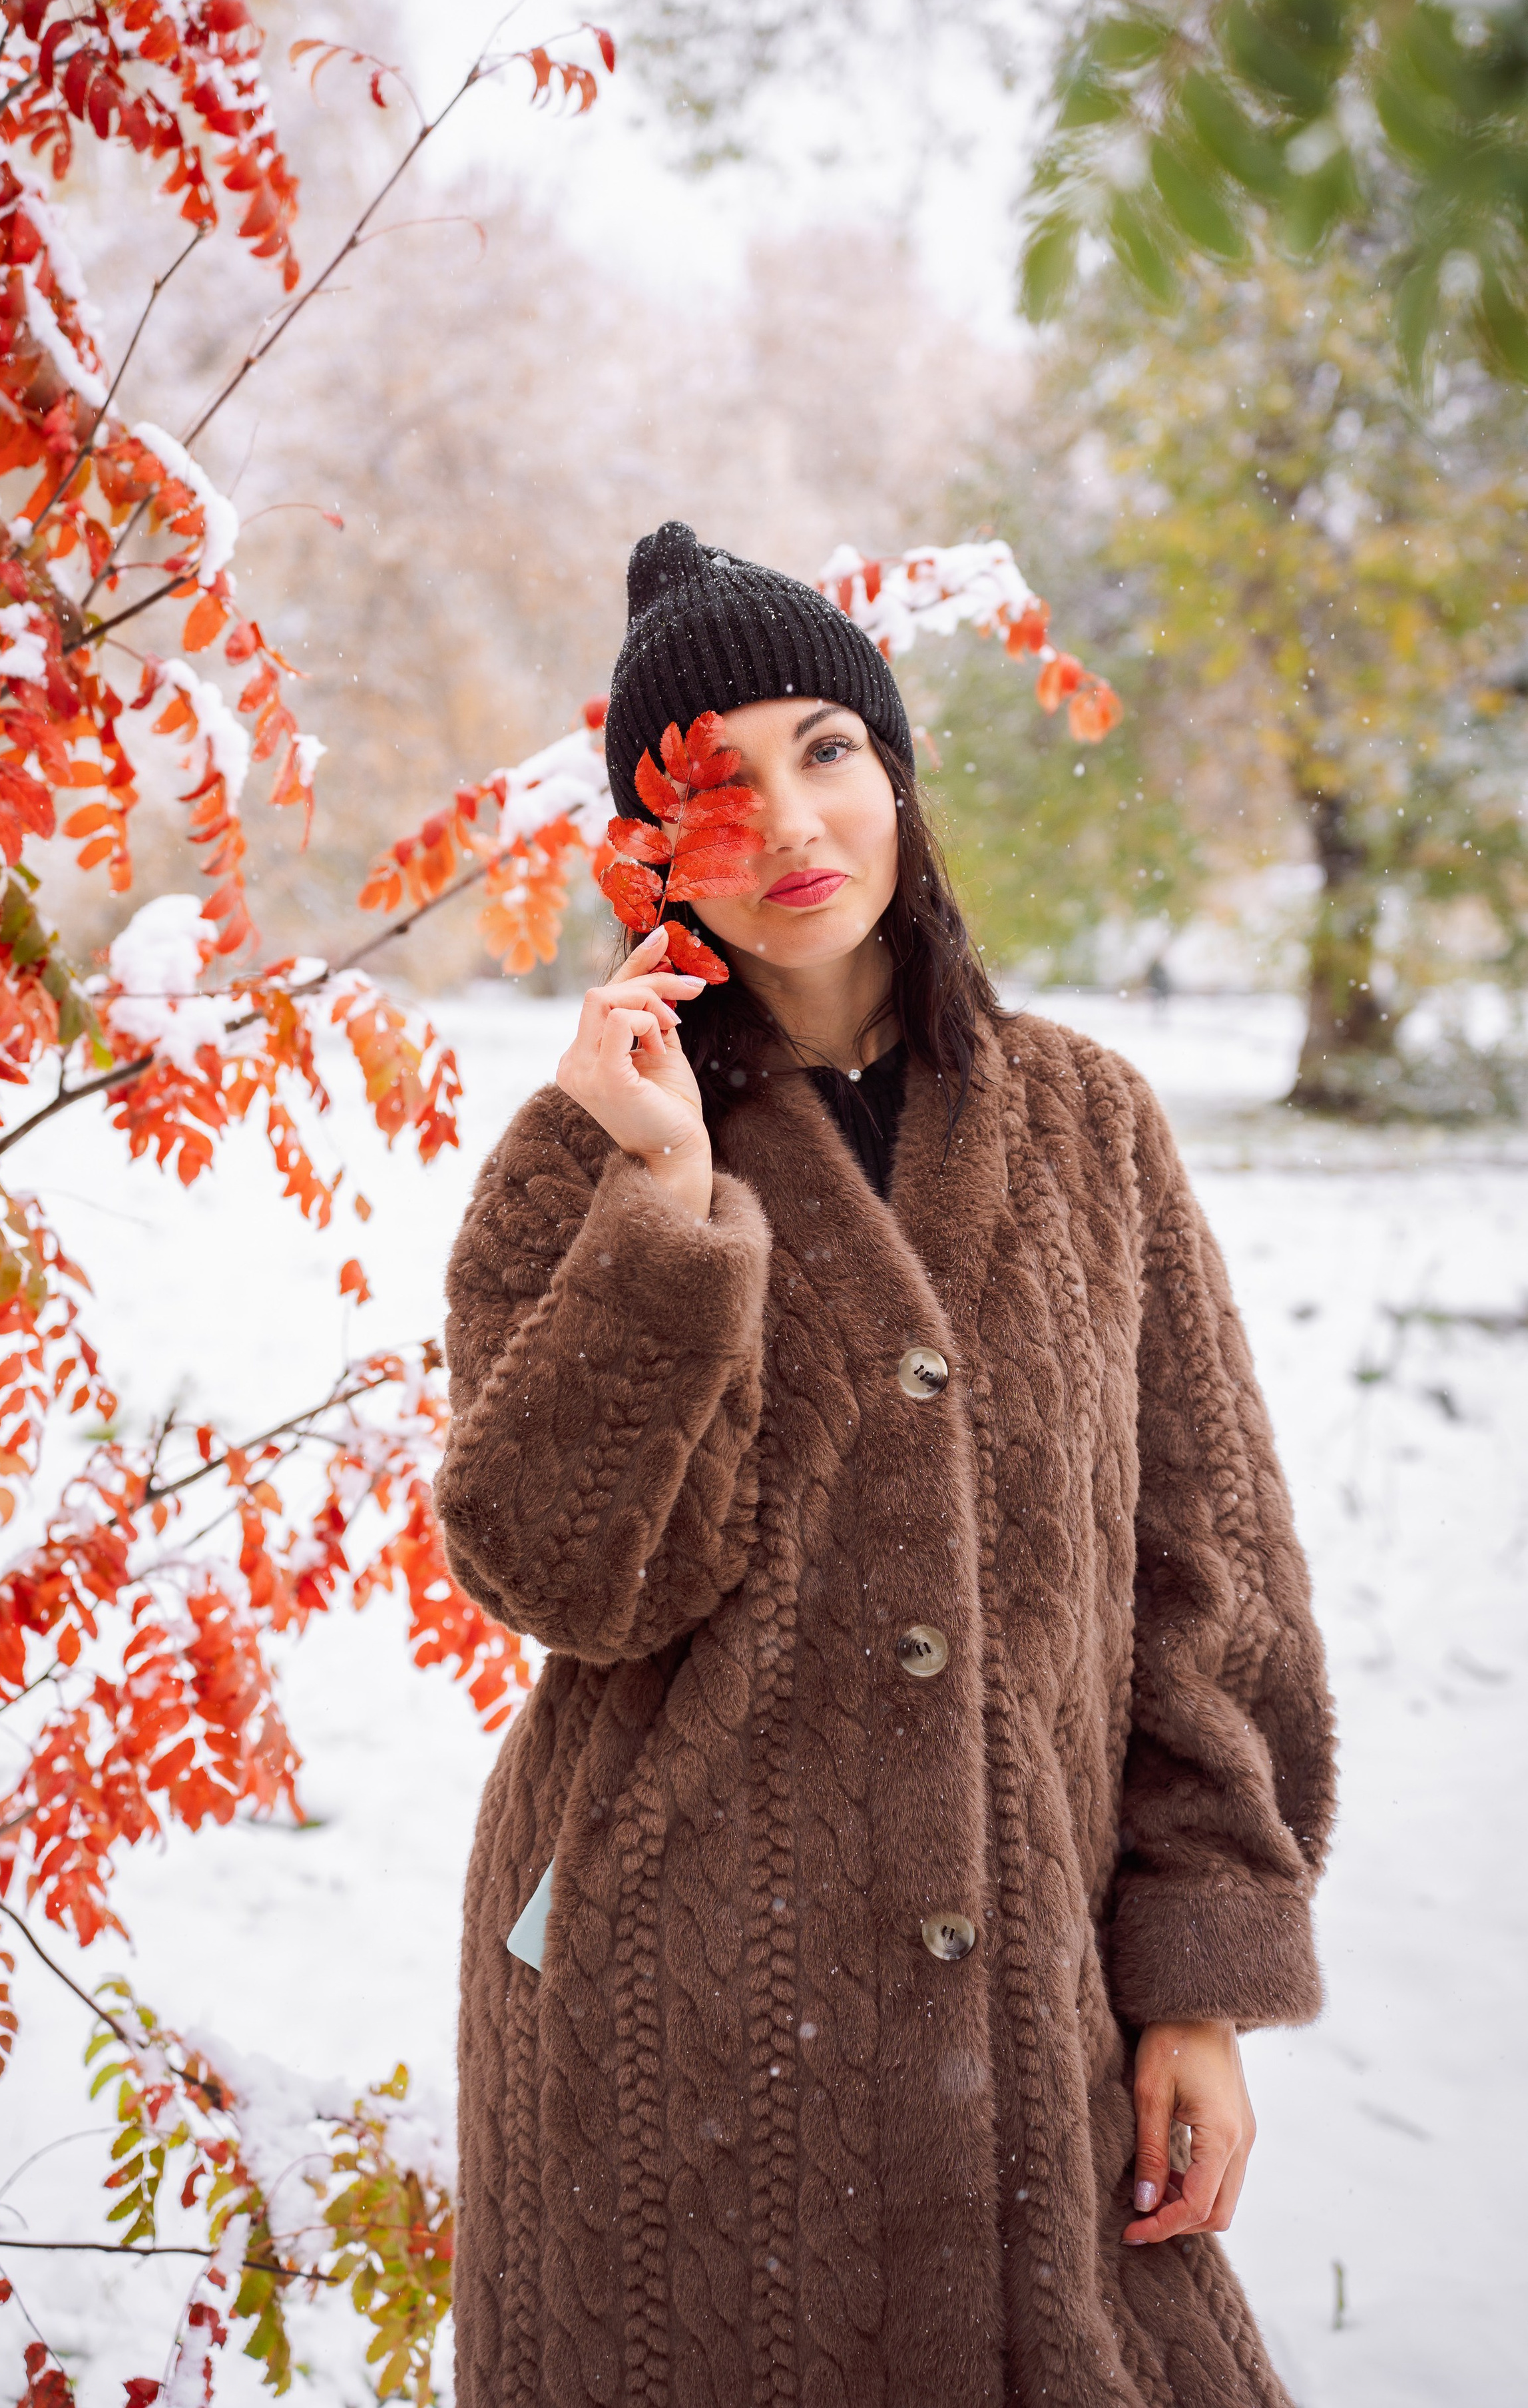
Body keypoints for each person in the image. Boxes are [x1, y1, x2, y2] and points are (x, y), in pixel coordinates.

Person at [434, 519, 1335, 2408]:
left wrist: (1197, 1975)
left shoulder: (1092, 1126)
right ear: (650, 852)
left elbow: (1209, 1573)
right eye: (716, 783)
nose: (786, 819)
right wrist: (670, 1203)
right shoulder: (577, 1160)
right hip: (679, 2016)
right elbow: (572, 1576)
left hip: (1034, 2015)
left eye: (825, 747)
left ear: (899, 775)